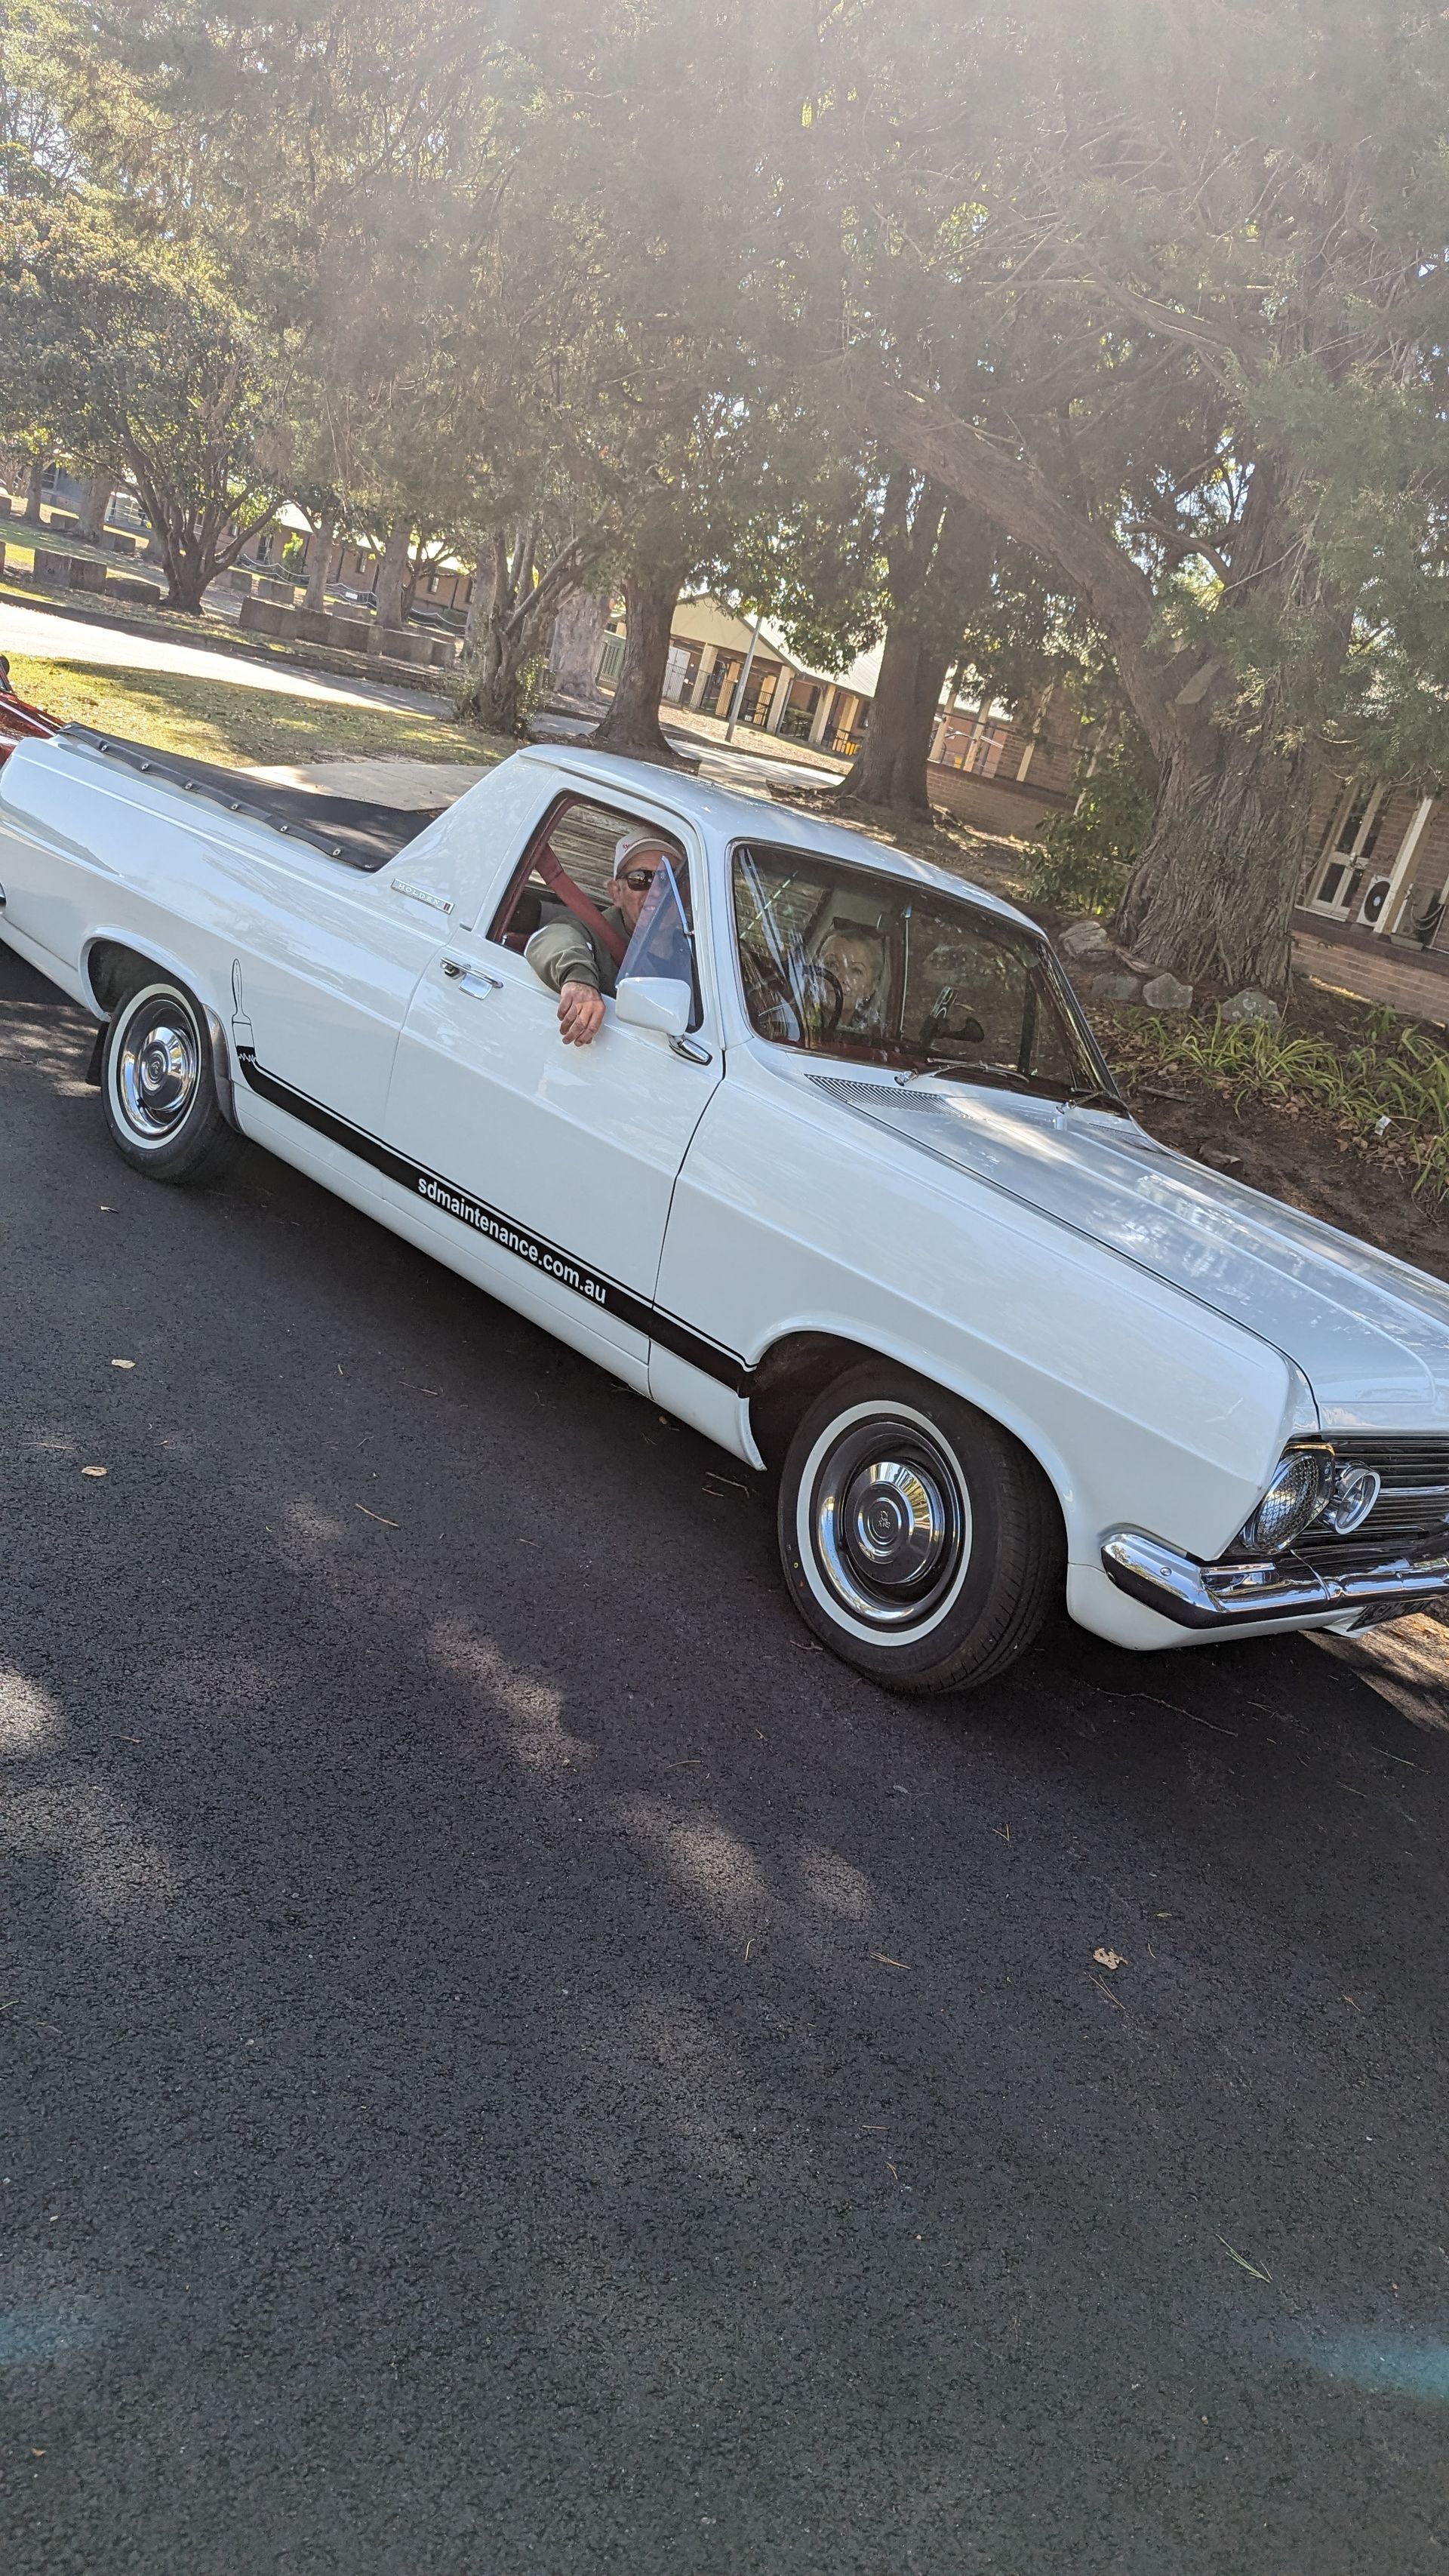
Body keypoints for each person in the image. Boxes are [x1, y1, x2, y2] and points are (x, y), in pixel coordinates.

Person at [525, 826, 683, 1045]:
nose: (656, 891)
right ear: (616, 893)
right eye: (640, 879)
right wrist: (579, 979)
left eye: (668, 881)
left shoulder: (700, 952)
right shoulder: (596, 933)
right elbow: (551, 938)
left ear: (684, 894)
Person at [816, 923, 885, 1036]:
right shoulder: (793, 1019)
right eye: (832, 964)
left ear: (870, 988)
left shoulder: (870, 1039)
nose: (841, 978)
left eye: (856, 971)